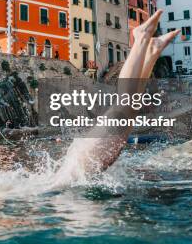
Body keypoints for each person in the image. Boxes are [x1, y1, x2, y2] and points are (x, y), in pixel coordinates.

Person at [54, 10, 180, 183]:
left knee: (127, 104)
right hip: (85, 159)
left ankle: (142, 39)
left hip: (82, 162)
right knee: (131, 106)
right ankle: (151, 51)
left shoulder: (60, 184)